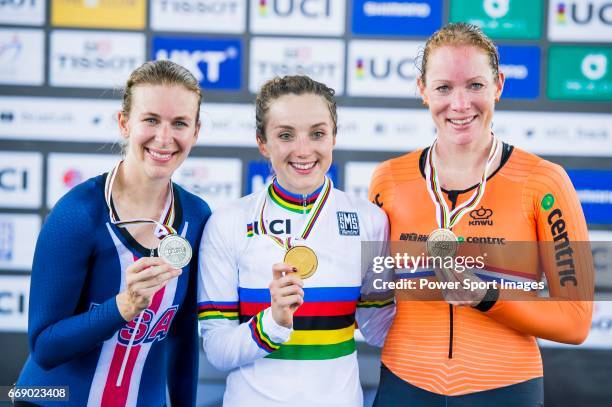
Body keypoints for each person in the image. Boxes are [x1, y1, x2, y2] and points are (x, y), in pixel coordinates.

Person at [369, 23, 594, 406]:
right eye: (443, 87)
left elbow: (575, 320)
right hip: (404, 386)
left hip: (504, 390)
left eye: (475, 85)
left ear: (499, 85)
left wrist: (488, 296)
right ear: (423, 90)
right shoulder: (389, 179)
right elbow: (370, 292)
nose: (460, 104)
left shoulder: (543, 182)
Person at [16, 60, 210, 407]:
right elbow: (44, 347)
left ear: (195, 132)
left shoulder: (196, 216)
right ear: (124, 123)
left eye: (179, 123)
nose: (164, 138)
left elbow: (182, 334)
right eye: (150, 120)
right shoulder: (78, 214)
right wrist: (123, 306)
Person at [198, 75, 395, 406]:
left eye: (317, 133)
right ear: (263, 142)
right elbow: (217, 350)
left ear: (333, 137)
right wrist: (271, 322)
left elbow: (378, 329)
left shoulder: (370, 221)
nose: (303, 151)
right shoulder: (227, 223)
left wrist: (435, 286)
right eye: (285, 135)